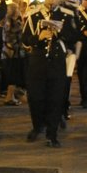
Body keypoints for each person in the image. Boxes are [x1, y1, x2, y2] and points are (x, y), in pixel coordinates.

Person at [25, 15, 68, 146]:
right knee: (36, 98)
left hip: (56, 64)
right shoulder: (34, 16)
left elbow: (74, 36)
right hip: (38, 64)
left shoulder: (65, 14)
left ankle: (52, 134)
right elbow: (25, 40)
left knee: (55, 99)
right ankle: (37, 126)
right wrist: (38, 37)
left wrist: (60, 33)